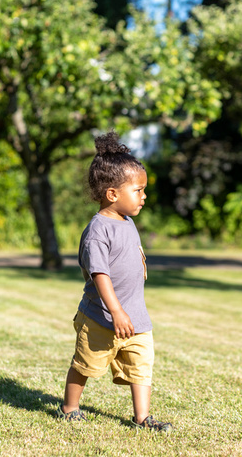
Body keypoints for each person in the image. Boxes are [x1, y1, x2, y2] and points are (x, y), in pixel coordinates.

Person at [57, 131, 172, 433]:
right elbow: (100, 275)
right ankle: (69, 408)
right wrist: (116, 311)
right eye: (138, 190)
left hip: (136, 316)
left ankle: (143, 418)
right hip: (100, 316)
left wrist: (128, 311)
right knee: (85, 364)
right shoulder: (98, 230)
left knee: (141, 365)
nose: (144, 196)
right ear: (112, 194)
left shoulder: (128, 222)